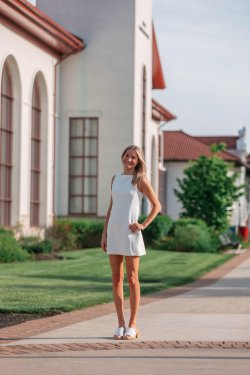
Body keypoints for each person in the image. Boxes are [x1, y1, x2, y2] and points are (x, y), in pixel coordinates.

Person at [101, 145, 161, 340]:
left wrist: (143, 224)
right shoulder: (115, 179)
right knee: (116, 278)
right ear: (122, 157)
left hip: (131, 234)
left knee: (132, 278)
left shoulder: (140, 179)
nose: (129, 160)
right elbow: (111, 209)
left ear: (138, 160)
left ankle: (133, 325)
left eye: (133, 157)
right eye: (127, 156)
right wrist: (104, 235)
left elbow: (156, 205)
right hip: (114, 233)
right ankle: (120, 324)